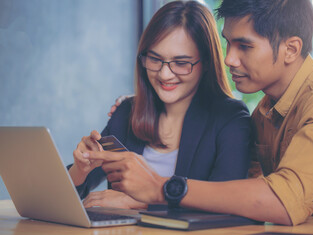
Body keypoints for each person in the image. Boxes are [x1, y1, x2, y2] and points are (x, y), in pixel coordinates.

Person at [84, 0, 313, 225]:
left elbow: (284, 201)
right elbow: (232, 197)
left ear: (291, 49)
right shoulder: (264, 114)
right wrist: (149, 98)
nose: (229, 58)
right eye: (228, 43)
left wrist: (159, 188)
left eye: (245, 46)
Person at [68, 0, 251, 209]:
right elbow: (64, 195)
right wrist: (79, 170)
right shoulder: (127, 112)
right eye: (155, 59)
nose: (164, 74)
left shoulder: (231, 120)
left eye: (181, 63)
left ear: (207, 62)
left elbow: (228, 206)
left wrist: (141, 204)